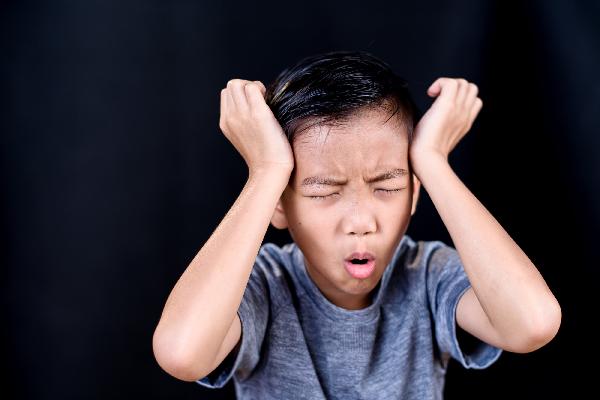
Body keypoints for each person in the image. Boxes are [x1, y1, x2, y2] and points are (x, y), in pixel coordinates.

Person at [152, 50, 562, 399]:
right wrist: (266, 170)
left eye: (387, 187)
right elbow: (183, 353)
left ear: (415, 192)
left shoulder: (428, 276)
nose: (362, 222)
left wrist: (433, 162)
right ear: (277, 203)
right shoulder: (263, 285)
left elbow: (532, 324)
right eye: (325, 192)